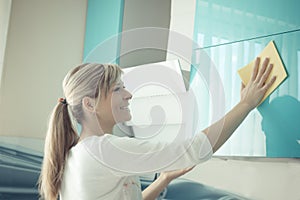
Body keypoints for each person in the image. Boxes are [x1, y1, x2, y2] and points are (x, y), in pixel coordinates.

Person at [38, 57, 275, 200]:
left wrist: (163, 179)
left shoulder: (77, 152)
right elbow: (195, 149)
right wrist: (246, 104)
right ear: (90, 104)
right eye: (118, 89)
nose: (129, 94)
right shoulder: (103, 150)